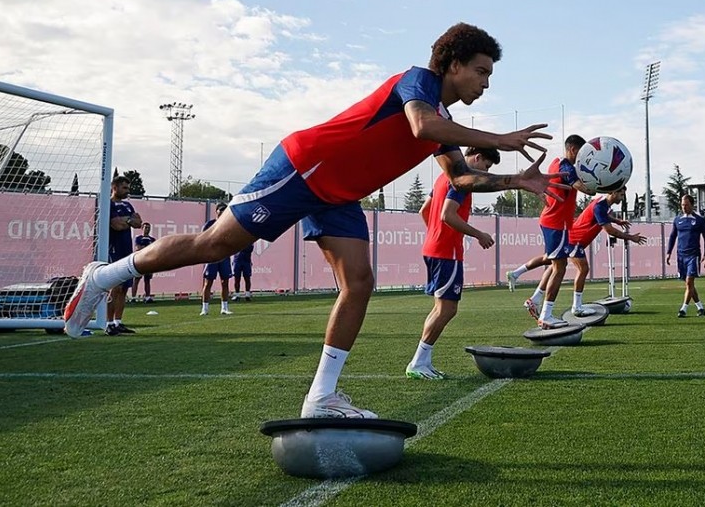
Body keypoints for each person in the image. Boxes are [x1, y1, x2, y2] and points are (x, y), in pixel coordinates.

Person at [64, 22, 564, 419]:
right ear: (453, 64)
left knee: (359, 284)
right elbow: (420, 124)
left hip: (339, 195)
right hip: (306, 168)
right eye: (481, 71)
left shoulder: (443, 121)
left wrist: (516, 180)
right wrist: (499, 140)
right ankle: (104, 276)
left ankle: (321, 397)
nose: (485, 83)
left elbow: (460, 178)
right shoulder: (418, 82)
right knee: (215, 245)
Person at [407, 147, 501, 380]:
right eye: (486, 166)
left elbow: (424, 210)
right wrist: (478, 234)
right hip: (446, 252)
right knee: (447, 309)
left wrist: (436, 234)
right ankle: (418, 362)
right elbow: (447, 215)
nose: (485, 172)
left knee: (441, 308)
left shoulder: (443, 176)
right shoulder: (462, 180)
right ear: (477, 157)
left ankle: (422, 361)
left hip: (434, 248)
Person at [523, 134, 594, 329]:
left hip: (554, 222)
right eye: (580, 153)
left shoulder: (558, 162)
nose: (582, 158)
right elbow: (584, 188)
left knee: (555, 265)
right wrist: (598, 185)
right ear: (572, 149)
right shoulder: (565, 167)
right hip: (556, 224)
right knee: (559, 267)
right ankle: (546, 315)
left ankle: (536, 301)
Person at [565, 187, 646, 313]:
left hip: (575, 240)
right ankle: (576, 307)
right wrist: (631, 237)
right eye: (621, 195)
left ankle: (535, 296)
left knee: (550, 264)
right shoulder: (600, 206)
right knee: (583, 269)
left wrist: (617, 221)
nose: (622, 198)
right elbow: (610, 231)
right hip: (574, 240)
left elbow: (605, 215)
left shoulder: (603, 204)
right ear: (613, 192)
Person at [104, 176, 141, 335]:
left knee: (125, 287)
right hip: (114, 249)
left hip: (127, 250)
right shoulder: (109, 204)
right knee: (116, 287)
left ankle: (118, 322)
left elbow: (138, 223)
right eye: (124, 188)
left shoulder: (127, 205)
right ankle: (108, 323)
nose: (127, 191)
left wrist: (126, 220)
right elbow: (116, 225)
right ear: (115, 187)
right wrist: (129, 220)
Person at [666, 193, 705, 317]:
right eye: (682, 205)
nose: (684, 207)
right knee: (689, 284)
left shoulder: (699, 220)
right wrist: (669, 252)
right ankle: (700, 308)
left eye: (686, 205)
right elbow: (672, 236)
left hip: (693, 255)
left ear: (692, 205)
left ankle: (683, 309)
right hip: (680, 255)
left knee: (689, 281)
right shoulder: (677, 220)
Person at [199, 203, 234, 316]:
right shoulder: (209, 224)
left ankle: (224, 308)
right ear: (216, 211)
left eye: (225, 210)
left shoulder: (229, 225)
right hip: (212, 257)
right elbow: (202, 239)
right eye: (221, 210)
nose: (223, 212)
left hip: (224, 257)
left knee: (225, 282)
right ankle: (205, 308)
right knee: (208, 282)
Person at [130, 222, 155, 303]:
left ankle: (147, 297)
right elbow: (138, 248)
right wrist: (147, 248)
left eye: (148, 228)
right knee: (136, 279)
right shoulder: (139, 238)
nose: (147, 229)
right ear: (142, 228)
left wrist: (145, 248)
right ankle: (133, 297)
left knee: (147, 280)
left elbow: (154, 250)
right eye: (146, 227)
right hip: (140, 261)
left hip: (149, 262)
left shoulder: (152, 239)